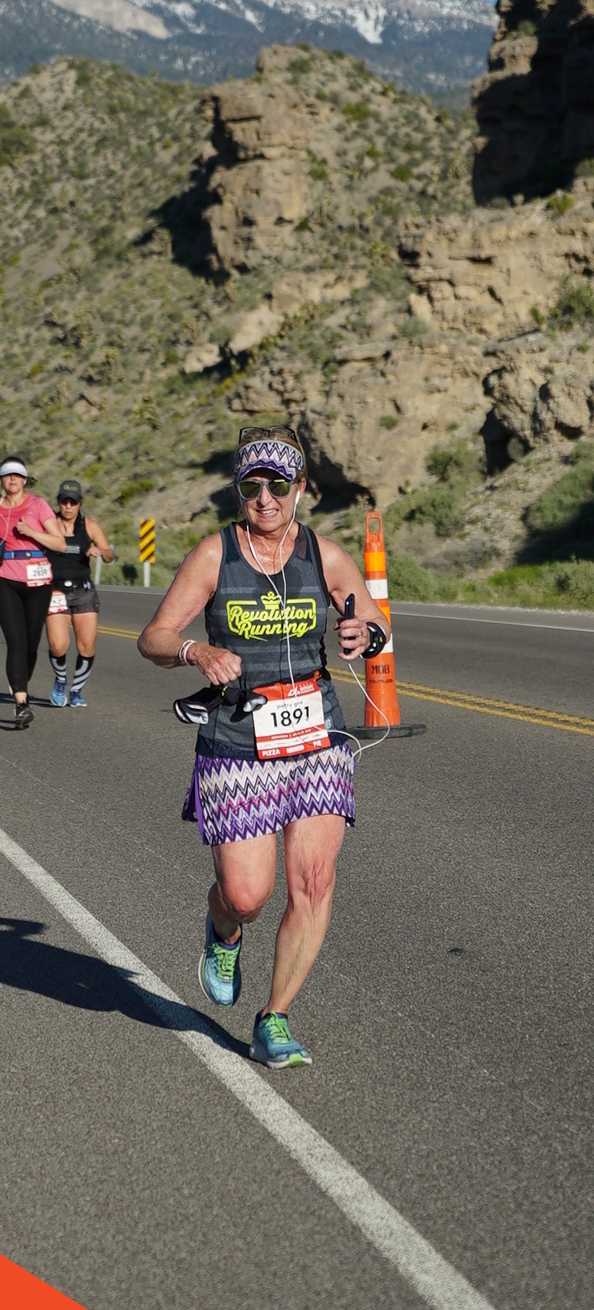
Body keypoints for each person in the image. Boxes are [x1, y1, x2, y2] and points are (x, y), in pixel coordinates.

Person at [137, 426, 390, 1069]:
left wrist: (365, 635)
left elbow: (375, 622)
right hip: (236, 737)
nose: (266, 499)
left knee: (315, 879)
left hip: (315, 731)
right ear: (239, 490)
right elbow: (153, 637)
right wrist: (196, 651)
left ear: (300, 488)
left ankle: (274, 1017)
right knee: (247, 895)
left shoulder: (323, 554)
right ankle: (223, 928)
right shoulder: (214, 555)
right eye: (253, 487)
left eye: (278, 485)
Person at [0, 455, 65, 730]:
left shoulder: (38, 505)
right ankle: (21, 703)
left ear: (25, 479)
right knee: (16, 641)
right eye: (7, 475)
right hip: (3, 577)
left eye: (17, 475)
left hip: (38, 579)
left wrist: (32, 532)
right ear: (1, 479)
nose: (12, 479)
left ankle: (21, 682)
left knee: (32, 644)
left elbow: (59, 544)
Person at [44, 478, 115, 708]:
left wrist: (100, 550)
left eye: (73, 502)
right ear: (58, 502)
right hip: (55, 591)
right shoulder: (47, 524)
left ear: (80, 503)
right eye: (64, 501)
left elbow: (109, 555)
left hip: (83, 591)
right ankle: (60, 681)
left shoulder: (90, 526)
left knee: (86, 646)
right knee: (58, 645)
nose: (68, 506)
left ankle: (76, 690)